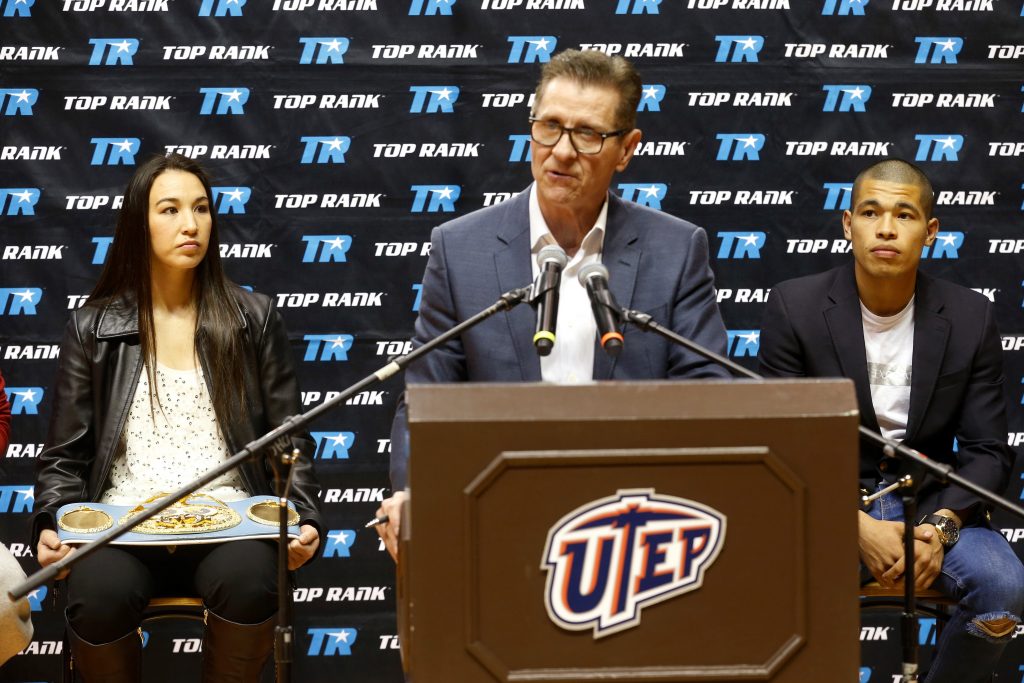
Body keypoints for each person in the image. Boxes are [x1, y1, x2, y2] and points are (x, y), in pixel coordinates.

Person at [375, 49, 730, 559]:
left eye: (587, 134)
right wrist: (410, 491)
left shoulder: (675, 250)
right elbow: (426, 398)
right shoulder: (461, 248)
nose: (561, 151)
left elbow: (708, 397)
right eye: (549, 127)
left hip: (634, 527)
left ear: (626, 150)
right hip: (496, 518)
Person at [31, 153, 322, 682]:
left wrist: (304, 520)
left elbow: (290, 443)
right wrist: (52, 522)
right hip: (122, 526)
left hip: (230, 524)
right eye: (169, 209)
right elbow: (63, 458)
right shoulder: (92, 327)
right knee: (97, 595)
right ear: (137, 225)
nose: (190, 224)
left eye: (202, 208)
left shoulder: (253, 318)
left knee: (254, 582)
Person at [759, 158, 1024, 682]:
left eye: (904, 215)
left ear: (930, 233)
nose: (885, 228)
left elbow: (988, 450)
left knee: (1002, 586)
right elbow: (777, 442)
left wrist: (939, 530)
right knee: (762, 578)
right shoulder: (796, 307)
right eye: (870, 212)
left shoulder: (970, 316)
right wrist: (853, 525)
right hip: (825, 501)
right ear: (846, 224)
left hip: (929, 501)